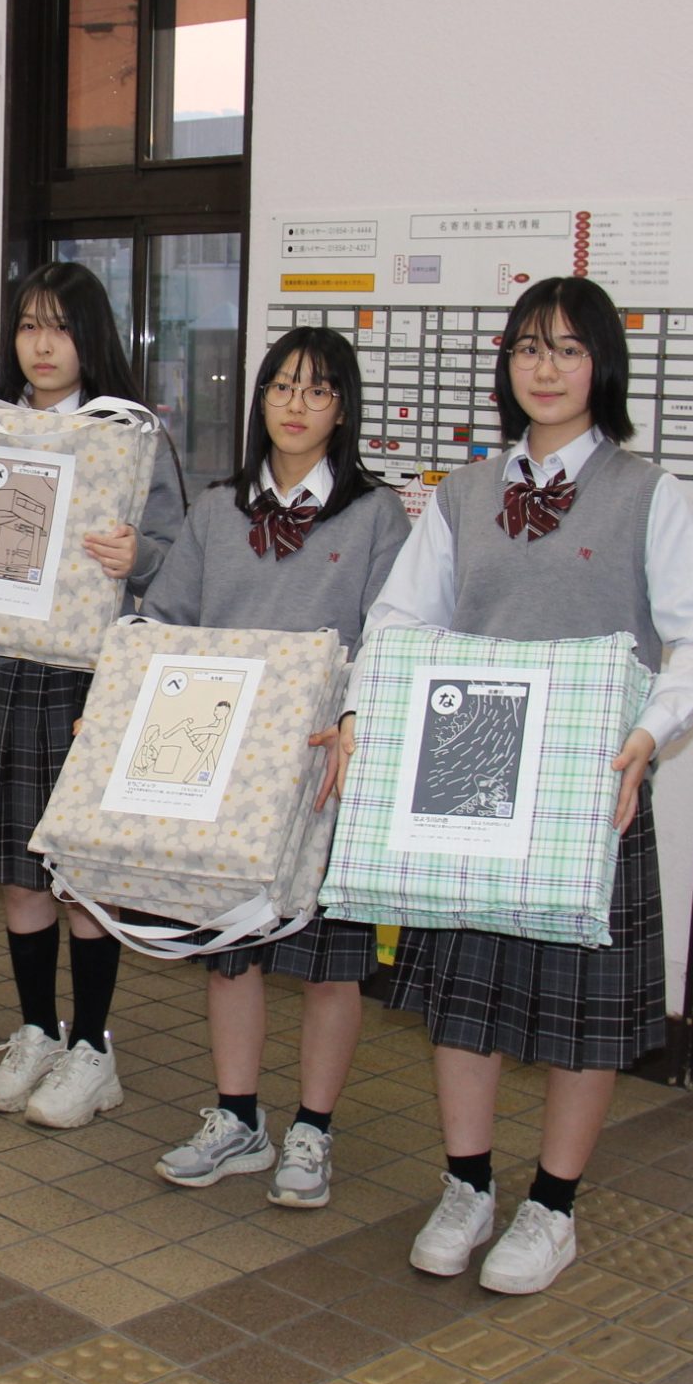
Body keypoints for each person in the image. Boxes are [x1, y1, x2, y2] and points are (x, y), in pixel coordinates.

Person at [345, 276, 693, 1295]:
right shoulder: (464, 493)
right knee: (463, 1000)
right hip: (467, 773)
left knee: (579, 1013)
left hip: (586, 786)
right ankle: (467, 1185)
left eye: (567, 348)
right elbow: (399, 621)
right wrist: (360, 713)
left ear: (601, 365)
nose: (546, 367)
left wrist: (649, 732)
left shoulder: (646, 493)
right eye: (528, 347)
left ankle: (553, 1207)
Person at [0, 262, 186, 1127]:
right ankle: (35, 1030)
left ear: (91, 338)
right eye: (28, 326)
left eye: (59, 327)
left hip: (82, 682)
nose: (42, 345)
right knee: (20, 871)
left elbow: (177, 555)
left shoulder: (127, 436)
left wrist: (140, 558)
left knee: (82, 873)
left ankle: (92, 1046)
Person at [141, 327, 408, 1209]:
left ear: (343, 409)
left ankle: (313, 1128)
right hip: (227, 765)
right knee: (233, 949)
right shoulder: (219, 510)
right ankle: (237, 1116)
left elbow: (393, 639)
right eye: (282, 386)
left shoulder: (376, 516)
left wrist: (354, 716)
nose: (297, 404)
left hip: (327, 768)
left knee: (331, 962)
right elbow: (166, 620)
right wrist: (123, 707)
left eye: (319, 389)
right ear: (259, 399)